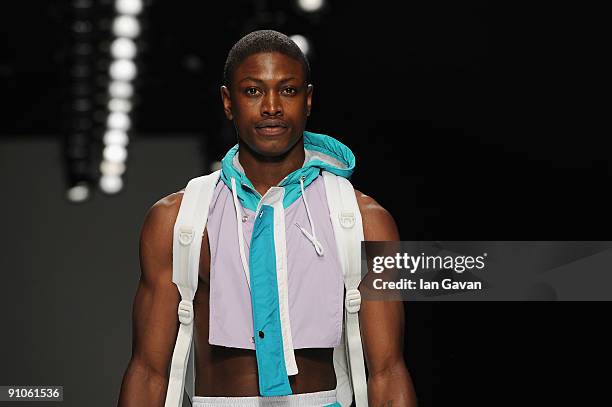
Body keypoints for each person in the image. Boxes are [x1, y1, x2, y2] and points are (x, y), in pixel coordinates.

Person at [118, 30, 417, 407]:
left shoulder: (363, 220)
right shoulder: (177, 221)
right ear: (228, 101)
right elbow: (147, 371)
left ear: (308, 100)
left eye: (288, 90)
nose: (272, 106)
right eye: (253, 91)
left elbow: (389, 371)